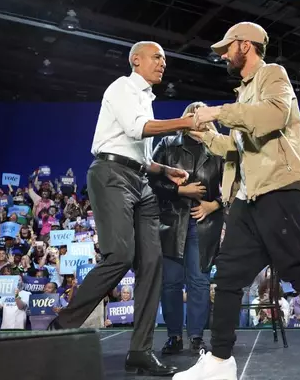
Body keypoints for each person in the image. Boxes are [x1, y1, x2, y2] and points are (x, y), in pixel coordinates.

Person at [176, 22, 300, 380]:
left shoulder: (272, 74)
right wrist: (206, 135)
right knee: (231, 275)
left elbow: (273, 117)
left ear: (245, 45)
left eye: (227, 48)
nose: (223, 55)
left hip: (278, 190)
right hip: (248, 197)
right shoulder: (243, 94)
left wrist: (216, 113)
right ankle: (220, 362)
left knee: (299, 270)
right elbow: (234, 148)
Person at [48, 40, 203, 376]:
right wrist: (186, 122)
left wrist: (165, 170)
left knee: (153, 263)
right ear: (136, 60)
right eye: (157, 57)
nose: (163, 63)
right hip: (110, 175)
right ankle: (62, 326)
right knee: (119, 255)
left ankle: (140, 351)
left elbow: (141, 155)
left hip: (140, 180)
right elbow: (136, 129)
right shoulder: (122, 87)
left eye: (164, 59)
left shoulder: (146, 98)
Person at [151, 101, 224, 355]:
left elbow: (234, 184)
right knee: (170, 284)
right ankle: (173, 336)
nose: (199, 120)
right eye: (194, 115)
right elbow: (150, 181)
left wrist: (213, 205)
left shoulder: (219, 147)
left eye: (203, 116)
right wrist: (180, 190)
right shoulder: (167, 145)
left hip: (204, 224)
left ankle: (196, 337)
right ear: (186, 118)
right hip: (171, 224)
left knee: (199, 283)